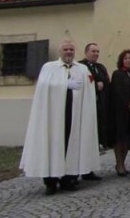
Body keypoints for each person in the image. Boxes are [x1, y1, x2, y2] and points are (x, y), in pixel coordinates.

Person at [20, 40, 99, 195]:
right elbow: (43, 86)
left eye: (71, 49)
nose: (69, 52)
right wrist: (64, 84)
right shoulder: (49, 67)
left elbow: (89, 90)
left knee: (72, 144)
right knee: (53, 144)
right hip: (54, 116)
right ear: (60, 51)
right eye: (66, 49)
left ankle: (68, 179)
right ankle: (50, 182)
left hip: (74, 114)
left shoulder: (82, 69)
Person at [79, 42, 108, 181]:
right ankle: (77, 170)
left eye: (97, 51)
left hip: (99, 108)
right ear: (86, 53)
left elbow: (106, 83)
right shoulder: (80, 67)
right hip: (84, 110)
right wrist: (96, 86)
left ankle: (89, 170)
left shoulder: (100, 67)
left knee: (93, 141)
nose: (95, 54)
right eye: (93, 51)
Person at [108, 49, 130, 176]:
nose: (128, 60)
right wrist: (127, 103)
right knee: (119, 137)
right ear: (122, 60)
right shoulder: (117, 74)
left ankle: (122, 162)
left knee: (128, 138)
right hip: (120, 112)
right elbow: (116, 93)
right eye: (126, 58)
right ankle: (119, 163)